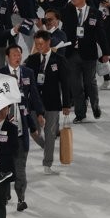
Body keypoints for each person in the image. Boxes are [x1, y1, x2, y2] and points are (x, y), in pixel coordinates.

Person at [0, 45, 45, 212]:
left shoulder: (28, 73)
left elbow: (35, 95)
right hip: (3, 132)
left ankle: (20, 198)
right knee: (3, 168)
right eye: (14, 54)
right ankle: (4, 194)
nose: (18, 57)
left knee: (20, 167)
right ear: (7, 56)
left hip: (21, 129)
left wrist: (39, 113)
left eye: (19, 54)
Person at [61, 0, 110, 123]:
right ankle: (80, 113)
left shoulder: (95, 13)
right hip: (71, 53)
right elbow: (50, 6)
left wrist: (106, 52)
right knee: (76, 86)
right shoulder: (67, 11)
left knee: (90, 82)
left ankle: (95, 105)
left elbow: (101, 34)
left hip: (89, 54)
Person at [25, 30, 71, 174]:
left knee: (50, 133)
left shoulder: (59, 60)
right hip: (34, 103)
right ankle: (47, 147)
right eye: (36, 44)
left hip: (52, 103)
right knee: (33, 132)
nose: (39, 46)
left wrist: (66, 104)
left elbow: (65, 83)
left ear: (48, 42)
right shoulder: (31, 60)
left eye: (41, 44)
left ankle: (47, 164)